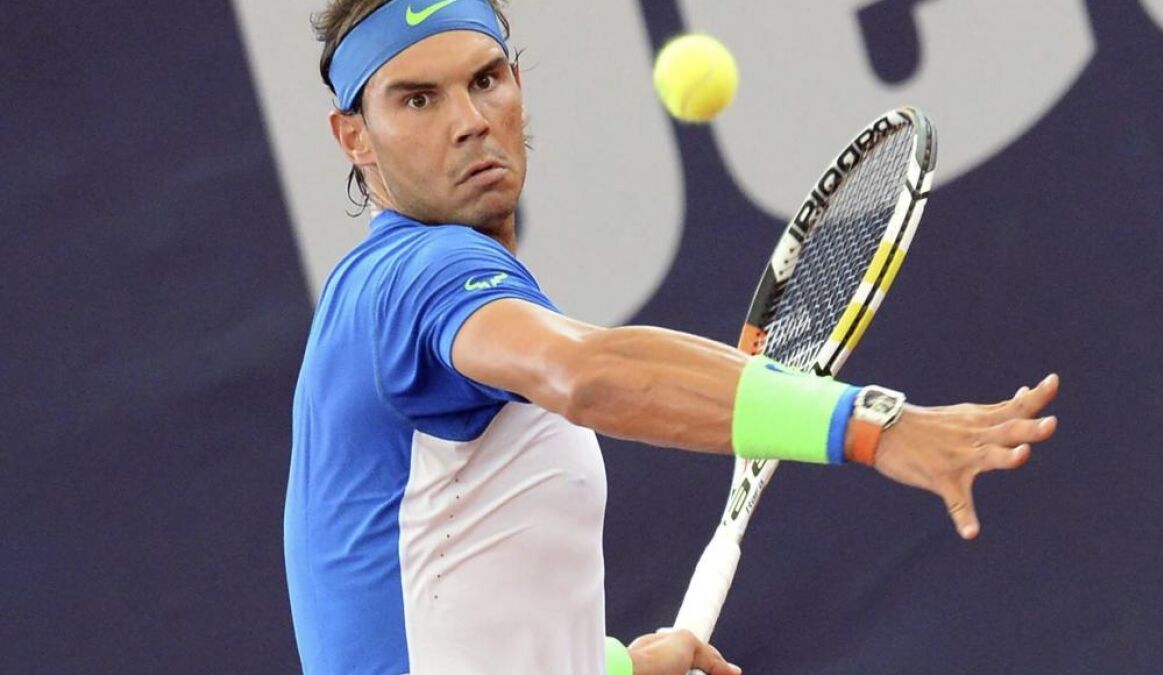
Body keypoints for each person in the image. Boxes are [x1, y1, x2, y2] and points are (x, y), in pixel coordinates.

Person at [283, 1, 1061, 673]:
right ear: (354, 136)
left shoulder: (383, 295)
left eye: (485, 80)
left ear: (517, 82)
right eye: (418, 100)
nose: (469, 121)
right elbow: (583, 373)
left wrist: (616, 664)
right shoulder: (421, 274)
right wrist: (867, 424)